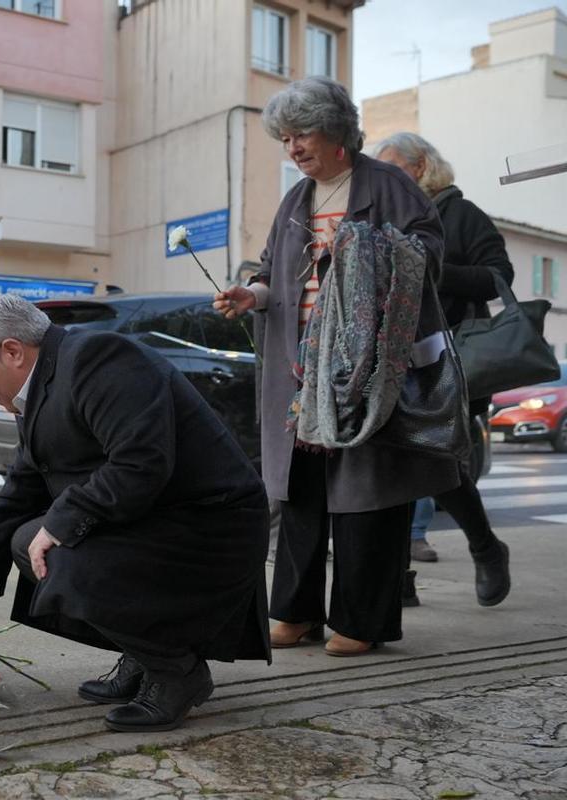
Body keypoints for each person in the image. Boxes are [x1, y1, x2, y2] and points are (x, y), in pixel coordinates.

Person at [0, 295, 270, 733]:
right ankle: (145, 654)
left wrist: (58, 524)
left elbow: (141, 462)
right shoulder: (39, 388)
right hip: (162, 519)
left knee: (54, 553)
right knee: (28, 540)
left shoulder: (99, 358)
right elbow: (20, 491)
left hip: (212, 526)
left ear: (13, 351)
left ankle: (178, 672)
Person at [214, 77, 460, 656]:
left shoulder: (387, 183)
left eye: (301, 135)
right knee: (300, 492)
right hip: (302, 370)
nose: (292, 148)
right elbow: (273, 271)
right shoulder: (295, 199)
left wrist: (359, 252)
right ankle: (296, 613)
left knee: (368, 494)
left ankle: (362, 620)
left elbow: (427, 253)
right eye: (285, 138)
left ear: (335, 133)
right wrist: (253, 293)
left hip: (364, 370)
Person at [376, 131, 513, 606]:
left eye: (392, 166)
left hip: (448, 357)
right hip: (394, 357)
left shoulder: (460, 214)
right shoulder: (385, 217)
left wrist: (428, 265)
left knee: (439, 461)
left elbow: (498, 277)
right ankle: (398, 578)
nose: (384, 176)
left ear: (419, 167)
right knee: (387, 464)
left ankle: (486, 548)